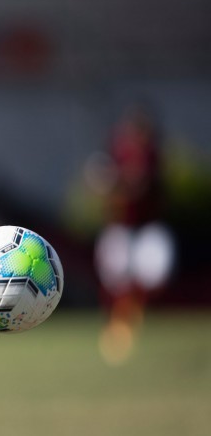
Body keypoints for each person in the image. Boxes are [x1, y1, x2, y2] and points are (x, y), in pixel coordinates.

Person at [93, 104, 175, 365]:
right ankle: (119, 326)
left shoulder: (151, 153)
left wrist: (118, 184)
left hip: (147, 227)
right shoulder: (119, 149)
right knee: (117, 278)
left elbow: (141, 185)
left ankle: (128, 321)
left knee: (151, 276)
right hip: (121, 226)